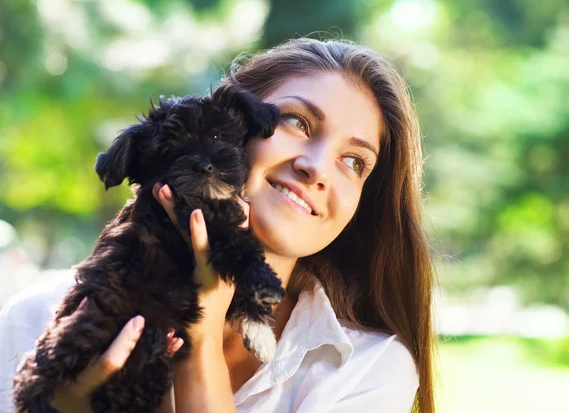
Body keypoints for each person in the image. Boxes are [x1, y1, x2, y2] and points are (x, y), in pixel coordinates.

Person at [0, 38, 436, 413]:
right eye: (297, 122)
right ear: (228, 121)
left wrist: (202, 338)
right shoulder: (36, 319)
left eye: (354, 162)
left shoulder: (367, 368)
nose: (317, 168)